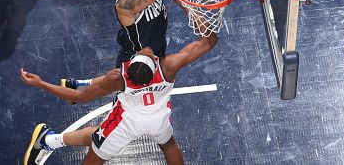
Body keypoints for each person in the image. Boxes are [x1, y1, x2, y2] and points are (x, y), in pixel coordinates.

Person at [20, 28, 219, 165]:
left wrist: (40, 83)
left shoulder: (119, 78)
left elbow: (79, 98)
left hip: (124, 124)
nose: (146, 48)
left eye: (144, 52)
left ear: (130, 63)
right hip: (158, 120)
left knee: (94, 158)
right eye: (147, 52)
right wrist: (185, 5)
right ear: (156, 61)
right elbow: (209, 41)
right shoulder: (168, 67)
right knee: (169, 146)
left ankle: (49, 141)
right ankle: (50, 140)